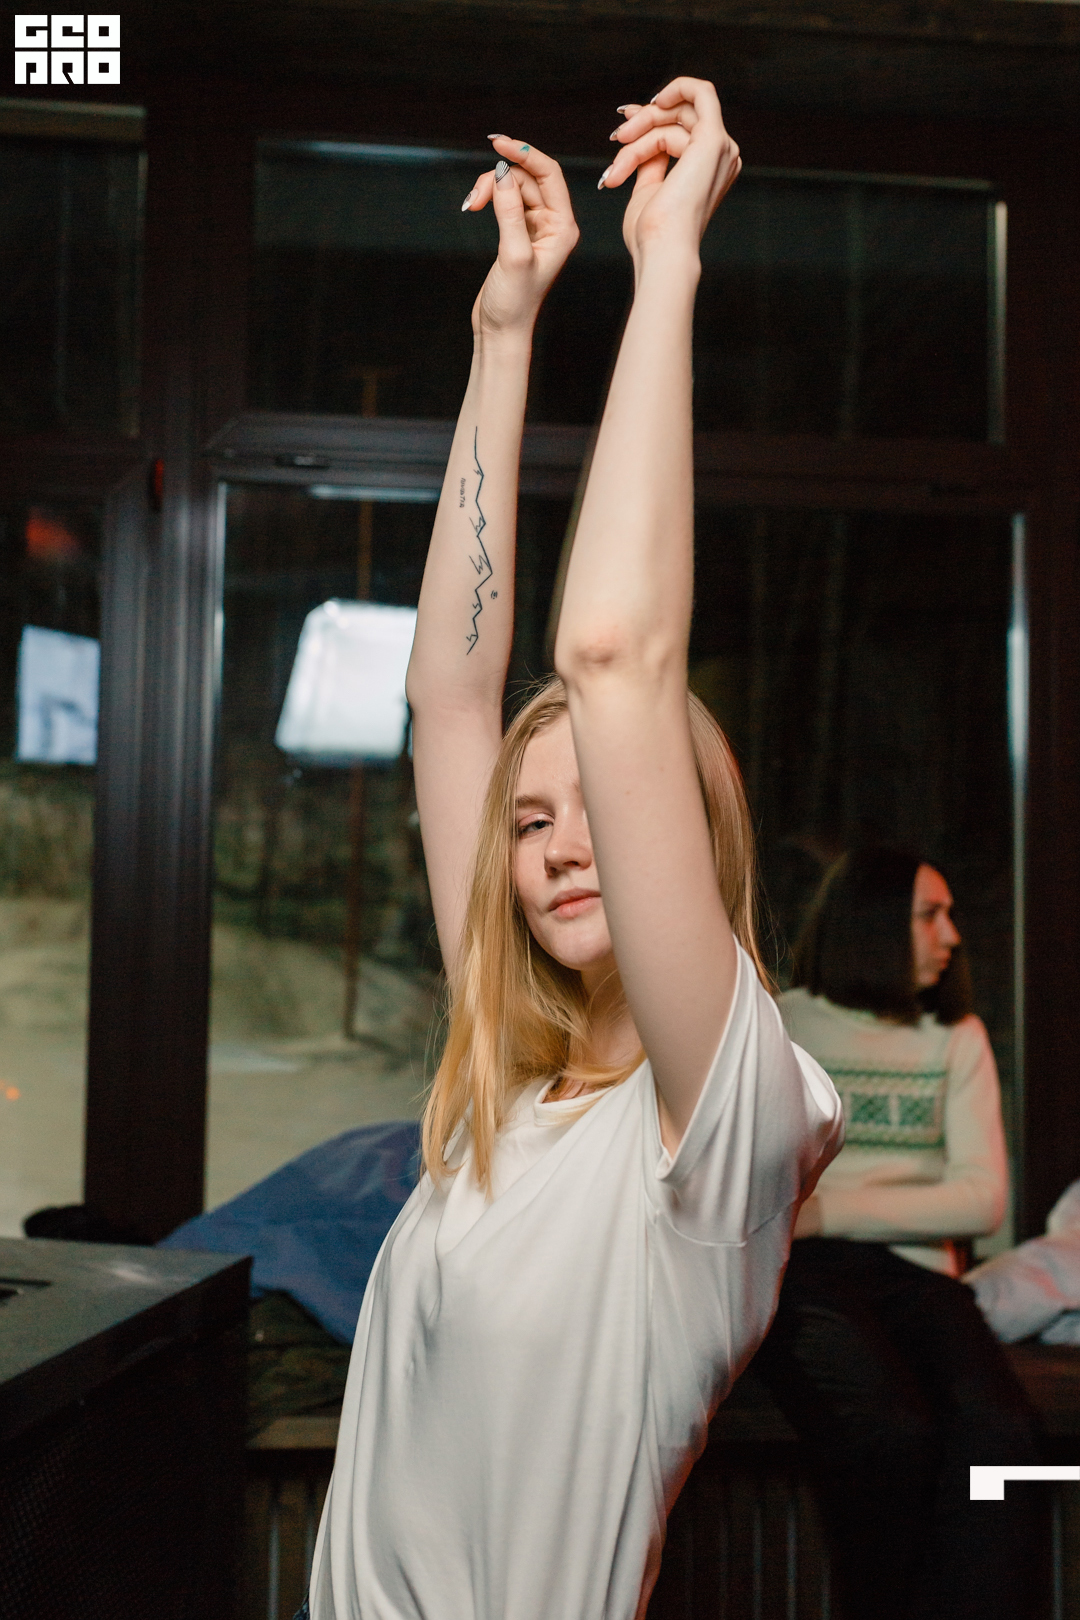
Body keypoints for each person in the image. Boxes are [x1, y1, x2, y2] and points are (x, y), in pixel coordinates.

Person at [304, 80, 842, 1620]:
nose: (554, 847)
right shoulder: (508, 1097)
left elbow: (613, 655)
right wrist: (505, 334)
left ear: (689, 832)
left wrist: (665, 263)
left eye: (606, 805)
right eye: (532, 822)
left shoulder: (730, 1126)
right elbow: (446, 697)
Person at [753, 846, 1041, 1620]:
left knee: (1004, 1432)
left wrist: (829, 1207)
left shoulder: (956, 1035)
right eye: (930, 915)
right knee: (888, 1434)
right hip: (806, 1273)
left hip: (918, 1276)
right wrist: (895, 1202)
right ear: (873, 923)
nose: (953, 935)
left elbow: (981, 1201)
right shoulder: (783, 1023)